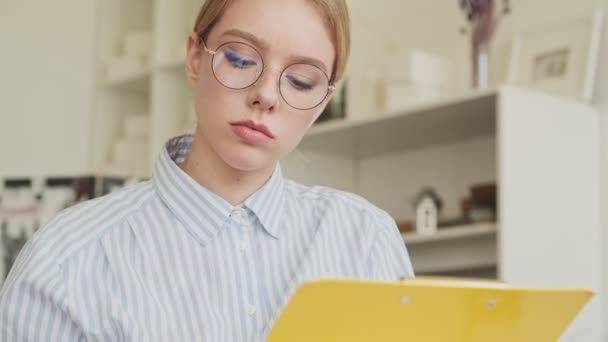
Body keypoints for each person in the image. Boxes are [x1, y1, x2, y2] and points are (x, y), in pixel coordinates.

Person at [0, 0, 414, 340]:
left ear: (322, 103)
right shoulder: (67, 261)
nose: (266, 94)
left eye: (302, 82)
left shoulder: (366, 242)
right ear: (195, 59)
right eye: (240, 58)